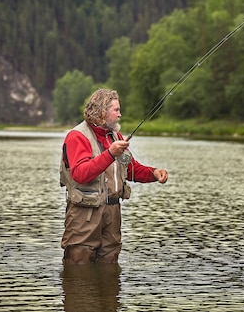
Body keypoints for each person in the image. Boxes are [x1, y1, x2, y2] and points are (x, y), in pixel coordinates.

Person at [60, 88, 168, 265]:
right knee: (78, 268)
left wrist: (153, 173)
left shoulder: (114, 137)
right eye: (116, 110)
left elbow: (130, 168)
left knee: (110, 268)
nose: (120, 114)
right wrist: (110, 154)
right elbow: (80, 174)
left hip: (112, 213)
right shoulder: (77, 136)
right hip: (84, 214)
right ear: (102, 112)